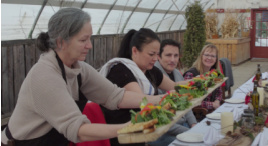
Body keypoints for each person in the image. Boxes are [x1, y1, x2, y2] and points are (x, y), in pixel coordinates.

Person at [1, 8, 161, 146]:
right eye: (83, 40)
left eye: (89, 38)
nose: (90, 45)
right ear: (61, 42)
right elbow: (78, 129)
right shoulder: (44, 76)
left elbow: (114, 96)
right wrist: (128, 127)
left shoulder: (78, 68)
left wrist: (158, 101)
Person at [99, 28, 189, 146]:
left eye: (157, 54)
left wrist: (200, 81)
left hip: (142, 134)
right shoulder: (120, 70)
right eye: (151, 54)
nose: (155, 59)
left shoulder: (150, 70)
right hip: (123, 138)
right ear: (135, 51)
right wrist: (167, 98)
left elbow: (174, 85)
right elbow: (143, 102)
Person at [151, 39, 197, 145]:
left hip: (183, 125)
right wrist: (189, 132)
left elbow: (186, 103)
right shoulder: (153, 77)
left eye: (176, 55)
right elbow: (159, 120)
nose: (173, 59)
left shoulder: (177, 73)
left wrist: (194, 124)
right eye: (168, 55)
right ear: (158, 56)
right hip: (162, 132)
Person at [183, 44, 224, 113]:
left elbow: (219, 92)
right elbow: (189, 100)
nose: (209, 58)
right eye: (207, 55)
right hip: (199, 114)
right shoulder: (191, 75)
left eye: (213, 56)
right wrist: (212, 105)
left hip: (212, 112)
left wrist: (217, 101)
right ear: (201, 56)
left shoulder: (214, 74)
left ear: (216, 59)